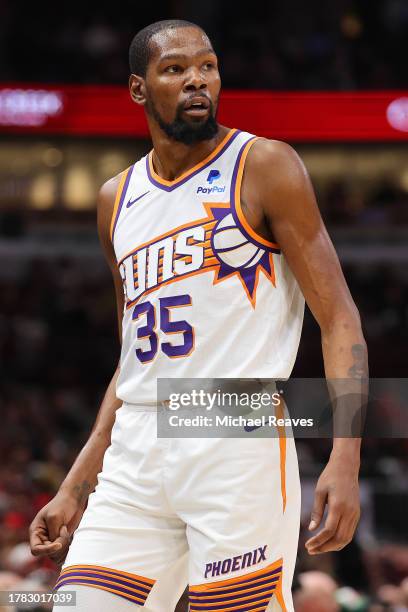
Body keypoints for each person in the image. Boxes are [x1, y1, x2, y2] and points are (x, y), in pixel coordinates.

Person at [29, 19, 366, 612]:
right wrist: (76, 484)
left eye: (207, 67)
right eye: (175, 69)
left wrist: (345, 456)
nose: (197, 81)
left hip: (235, 424)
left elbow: (340, 320)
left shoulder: (265, 165)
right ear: (138, 89)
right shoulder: (116, 199)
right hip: (137, 444)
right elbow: (131, 357)